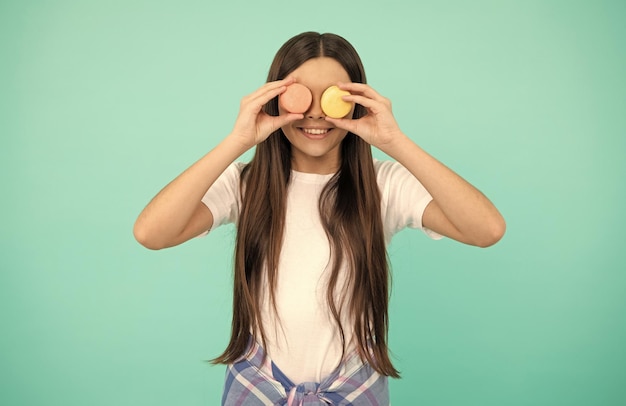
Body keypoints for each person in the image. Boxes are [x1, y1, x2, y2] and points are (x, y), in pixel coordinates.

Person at [133, 31, 505, 405]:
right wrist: (238, 140)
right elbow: (151, 232)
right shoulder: (247, 184)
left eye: (333, 98)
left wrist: (395, 142)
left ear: (356, 102)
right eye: (301, 96)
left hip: (353, 388)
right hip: (258, 387)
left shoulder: (382, 185)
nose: (314, 113)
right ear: (275, 99)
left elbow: (486, 229)